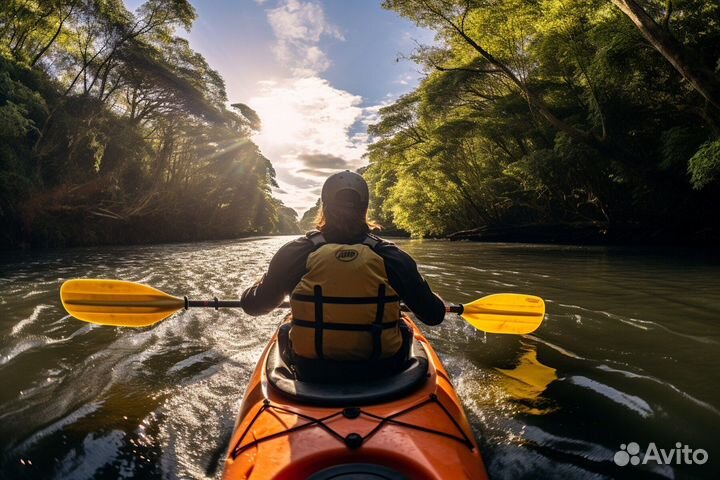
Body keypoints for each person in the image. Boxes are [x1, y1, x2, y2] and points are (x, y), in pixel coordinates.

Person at [240, 170, 445, 382]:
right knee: (404, 326)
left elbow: (253, 305)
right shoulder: (391, 256)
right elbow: (433, 314)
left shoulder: (294, 252)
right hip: (383, 370)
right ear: (364, 208)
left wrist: (261, 282)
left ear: (324, 207)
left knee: (285, 330)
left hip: (311, 372)